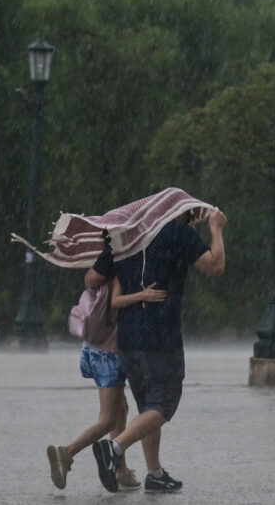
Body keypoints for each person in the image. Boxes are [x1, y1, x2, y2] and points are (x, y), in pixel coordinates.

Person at [92, 207, 226, 493]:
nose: (191, 222)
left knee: (147, 408)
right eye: (190, 217)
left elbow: (92, 278)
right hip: (161, 337)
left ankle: (155, 473)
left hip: (128, 338)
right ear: (181, 214)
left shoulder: (126, 237)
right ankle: (114, 449)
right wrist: (216, 228)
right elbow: (215, 266)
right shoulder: (178, 232)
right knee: (163, 405)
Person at [45, 240, 163, 492]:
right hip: (109, 353)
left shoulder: (104, 263)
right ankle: (66, 453)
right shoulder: (124, 265)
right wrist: (143, 295)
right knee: (108, 419)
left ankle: (120, 470)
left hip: (94, 346)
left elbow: (93, 283)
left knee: (121, 408)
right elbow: (115, 302)